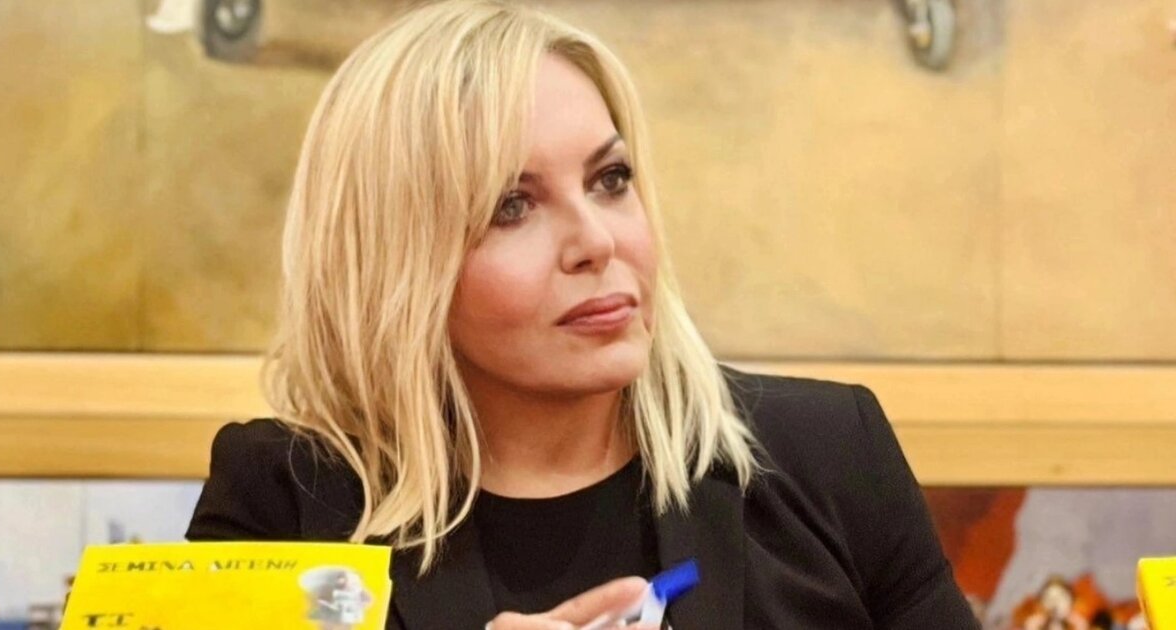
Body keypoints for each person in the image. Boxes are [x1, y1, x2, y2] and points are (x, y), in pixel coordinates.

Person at [185, 1, 979, 628]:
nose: (596, 241)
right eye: (512, 205)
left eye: (611, 179)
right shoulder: (284, 502)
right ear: (394, 261)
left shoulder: (830, 454)